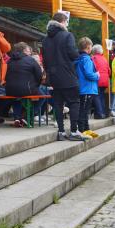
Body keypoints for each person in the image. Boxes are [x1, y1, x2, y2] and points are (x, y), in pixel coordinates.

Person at [42, 12, 86, 141]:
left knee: (58, 104)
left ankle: (61, 131)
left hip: (53, 76)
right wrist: (78, 54)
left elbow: (44, 59)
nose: (67, 24)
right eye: (67, 22)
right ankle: (73, 131)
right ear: (62, 22)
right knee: (74, 102)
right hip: (67, 74)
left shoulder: (45, 39)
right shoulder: (67, 35)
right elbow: (72, 54)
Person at [5, 42, 43, 127]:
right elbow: (39, 75)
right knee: (42, 96)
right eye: (28, 50)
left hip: (9, 89)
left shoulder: (9, 60)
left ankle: (17, 118)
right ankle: (27, 117)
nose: (30, 52)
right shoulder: (31, 60)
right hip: (27, 89)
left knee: (15, 98)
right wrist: (36, 84)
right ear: (24, 50)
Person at [75, 37, 99, 137]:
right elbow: (89, 74)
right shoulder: (87, 59)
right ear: (88, 47)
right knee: (84, 110)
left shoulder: (78, 58)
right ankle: (82, 130)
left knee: (84, 109)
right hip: (87, 88)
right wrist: (97, 75)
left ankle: (87, 128)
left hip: (82, 87)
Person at [91, 44, 110, 119]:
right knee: (101, 96)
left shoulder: (93, 58)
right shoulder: (104, 59)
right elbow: (109, 70)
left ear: (94, 51)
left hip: (97, 80)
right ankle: (103, 113)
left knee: (96, 96)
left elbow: (91, 69)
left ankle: (99, 113)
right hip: (105, 80)